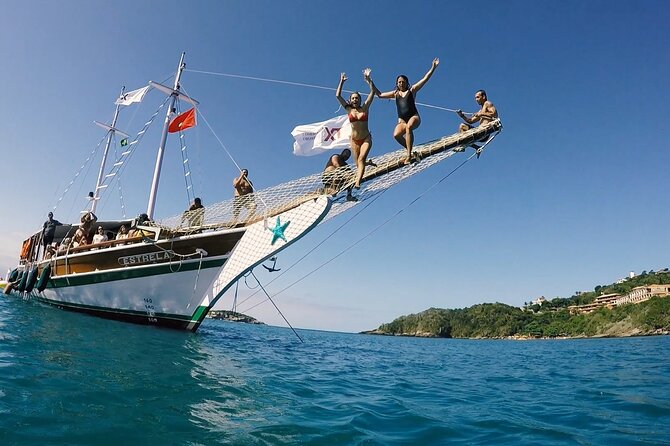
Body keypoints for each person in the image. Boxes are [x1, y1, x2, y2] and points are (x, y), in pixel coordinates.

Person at [370, 58, 440, 164]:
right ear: (397, 84)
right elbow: (379, 95)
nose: (401, 83)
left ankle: (408, 156)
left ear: (407, 83)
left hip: (414, 117)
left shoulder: (412, 90)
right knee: (396, 135)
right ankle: (411, 151)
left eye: (403, 82)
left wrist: (433, 68)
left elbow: (425, 79)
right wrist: (369, 80)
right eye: (399, 82)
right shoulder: (395, 94)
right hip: (402, 120)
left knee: (409, 127)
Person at [335, 69, 377, 189]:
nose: (355, 100)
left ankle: (358, 182)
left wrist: (369, 80)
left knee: (361, 159)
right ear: (350, 100)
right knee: (358, 163)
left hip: (365, 138)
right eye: (353, 98)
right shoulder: (349, 110)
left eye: (357, 98)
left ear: (360, 100)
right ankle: (366, 164)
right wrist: (341, 82)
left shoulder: (365, 108)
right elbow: (338, 95)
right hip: (354, 140)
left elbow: (373, 92)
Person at [456, 89, 499, 157]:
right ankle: (473, 147)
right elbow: (471, 121)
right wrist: (462, 116)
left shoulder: (487, 103)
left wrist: (481, 114)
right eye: (475, 98)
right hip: (479, 132)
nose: (476, 99)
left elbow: (494, 114)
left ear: (483, 97)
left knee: (463, 133)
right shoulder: (480, 111)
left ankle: (463, 145)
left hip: (485, 132)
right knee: (462, 127)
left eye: (478, 97)